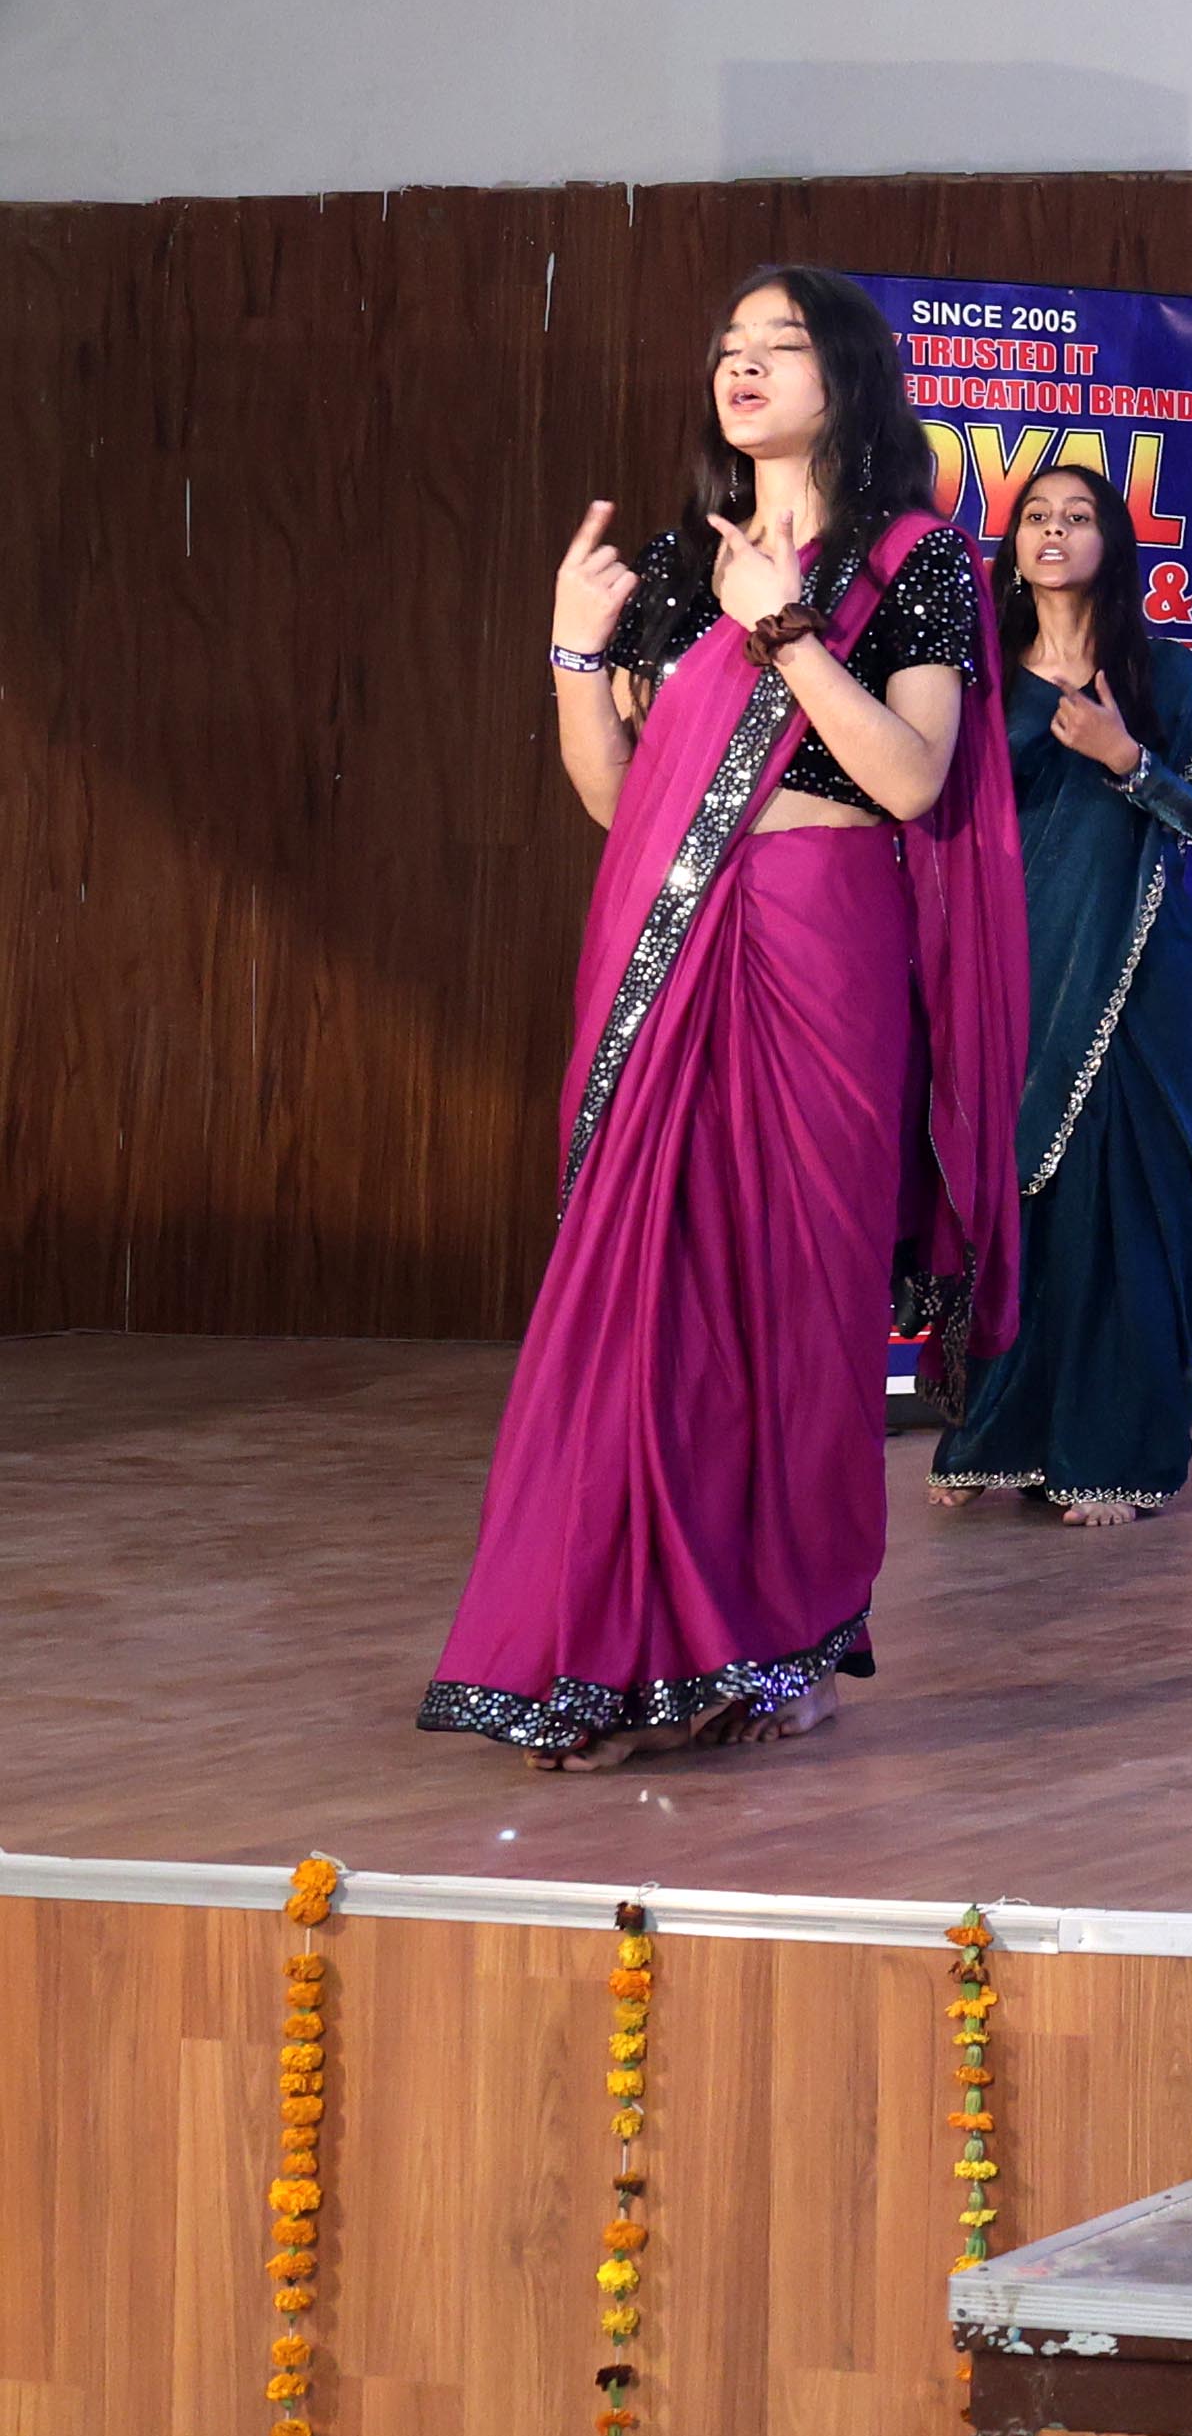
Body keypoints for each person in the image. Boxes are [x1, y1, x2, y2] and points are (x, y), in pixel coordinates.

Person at [431, 267, 1026, 1765]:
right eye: (728, 349)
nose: (743, 367)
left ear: (850, 373)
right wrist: (574, 653)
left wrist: (790, 632)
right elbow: (621, 801)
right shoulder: (679, 562)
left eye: (781, 344)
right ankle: (627, 1655)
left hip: (826, 948)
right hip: (674, 937)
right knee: (653, 1302)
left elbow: (911, 779)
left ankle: (781, 1644)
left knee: (795, 1299)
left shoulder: (918, 560)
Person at [927, 463, 1192, 1528]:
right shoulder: (974, 678)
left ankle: (1111, 1451)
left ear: (1112, 544)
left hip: (1134, 979)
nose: (1053, 531)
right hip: (1011, 968)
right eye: (1036, 517)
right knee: (1017, 1204)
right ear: (1013, 545)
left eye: (1078, 516)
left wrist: (1127, 757)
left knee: (1119, 1207)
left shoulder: (1163, 674)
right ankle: (998, 1430)